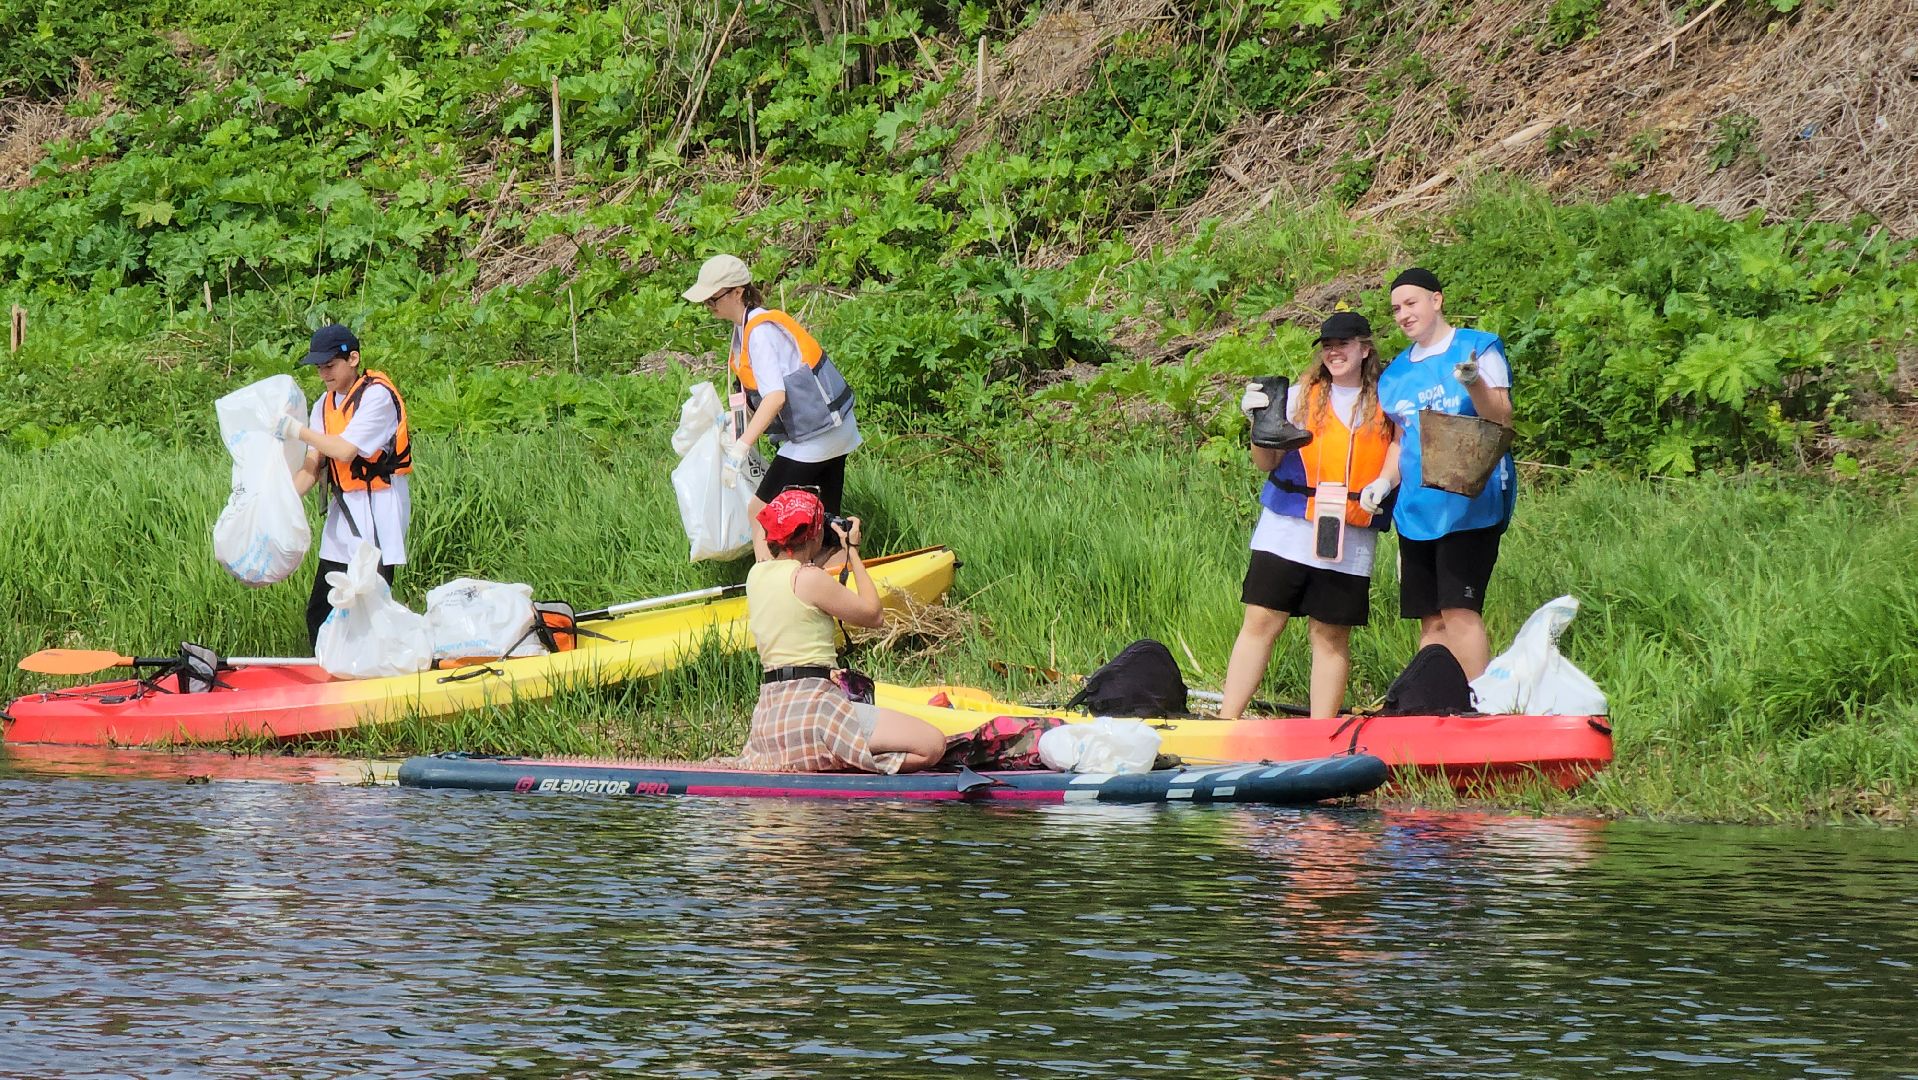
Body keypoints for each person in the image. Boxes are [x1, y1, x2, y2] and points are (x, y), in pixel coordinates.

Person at [1219, 312, 1400, 720]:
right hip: (1288, 527)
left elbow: (1401, 448)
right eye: (1328, 346)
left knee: (1331, 634)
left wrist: (1385, 483)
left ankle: (1319, 735)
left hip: (1350, 531)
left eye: (1344, 344)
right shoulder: (1301, 395)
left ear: (1364, 348)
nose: (1334, 352)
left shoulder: (1388, 400)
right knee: (1261, 621)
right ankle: (1226, 720)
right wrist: (1258, 424)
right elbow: (1266, 462)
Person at [735, 489, 946, 773]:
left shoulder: (756, 574)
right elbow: (874, 615)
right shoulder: (808, 578)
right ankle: (858, 762)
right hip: (816, 710)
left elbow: (763, 530)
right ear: (815, 535)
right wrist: (853, 552)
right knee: (933, 745)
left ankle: (841, 759)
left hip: (771, 717)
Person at [1371, 267, 1515, 678]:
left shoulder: (1478, 348)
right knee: (1431, 618)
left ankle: (1480, 705)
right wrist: (1384, 481)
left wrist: (1473, 384)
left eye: (1411, 303)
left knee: (1459, 609)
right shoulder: (1395, 374)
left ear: (1437, 300)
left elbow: (1501, 418)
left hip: (1470, 503)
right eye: (1396, 308)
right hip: (1417, 510)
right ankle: (1435, 706)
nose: (1403, 314)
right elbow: (1400, 440)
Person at [683, 254, 861, 561]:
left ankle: (767, 582)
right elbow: (756, 394)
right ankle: (837, 575)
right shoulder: (744, 329)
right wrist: (732, 426)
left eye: (713, 299)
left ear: (737, 292)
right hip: (829, 429)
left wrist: (742, 447)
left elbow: (775, 397)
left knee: (760, 513)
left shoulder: (761, 332)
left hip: (816, 435)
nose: (708, 307)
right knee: (821, 521)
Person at [276, 324, 413, 647]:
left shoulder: (377, 396)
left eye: (330, 365)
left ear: (353, 358)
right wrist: (279, 502)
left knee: (369, 610)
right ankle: (325, 677)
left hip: (378, 510)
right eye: (319, 368)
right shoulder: (324, 404)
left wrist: (297, 430)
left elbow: (344, 450)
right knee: (321, 611)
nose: (324, 374)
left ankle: (378, 679)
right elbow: (313, 465)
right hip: (344, 512)